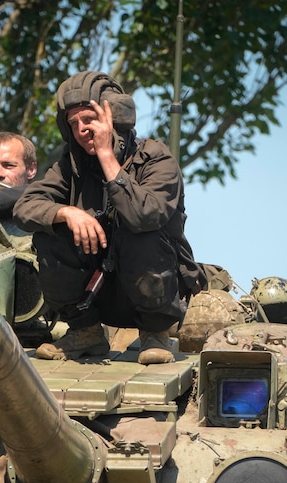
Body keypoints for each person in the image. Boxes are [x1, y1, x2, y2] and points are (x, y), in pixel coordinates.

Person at [13, 71, 204, 364]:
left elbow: (144, 215)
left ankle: (155, 334)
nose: (81, 129)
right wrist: (66, 212)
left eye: (89, 119)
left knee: (140, 231)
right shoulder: (71, 166)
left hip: (154, 292)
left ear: (116, 118)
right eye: (73, 123)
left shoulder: (156, 159)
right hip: (97, 291)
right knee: (50, 230)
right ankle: (86, 332)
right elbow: (25, 206)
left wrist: (106, 155)